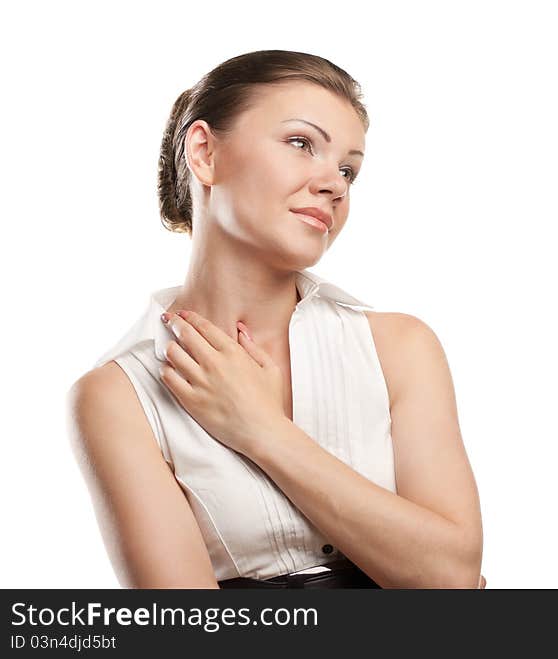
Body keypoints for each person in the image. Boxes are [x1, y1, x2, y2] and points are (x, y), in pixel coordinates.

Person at [66, 50, 485, 589]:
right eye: (300, 143)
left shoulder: (398, 349)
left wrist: (261, 430)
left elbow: (450, 579)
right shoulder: (120, 396)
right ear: (204, 153)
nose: (334, 183)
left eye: (348, 169)